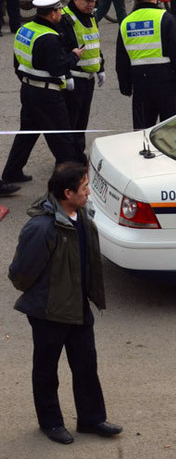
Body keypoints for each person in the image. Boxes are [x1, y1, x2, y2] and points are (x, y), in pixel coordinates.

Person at [8, 162, 123, 445]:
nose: (88, 193)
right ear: (68, 193)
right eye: (84, 188)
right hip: (49, 311)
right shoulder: (40, 228)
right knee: (47, 370)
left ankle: (91, 419)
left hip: (78, 306)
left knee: (86, 365)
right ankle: (51, 423)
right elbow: (20, 273)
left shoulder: (80, 215)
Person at [1, 0, 78, 186]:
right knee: (63, 138)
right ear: (52, 14)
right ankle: (71, 182)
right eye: (59, 10)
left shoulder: (25, 30)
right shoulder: (49, 38)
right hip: (46, 95)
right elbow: (57, 68)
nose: (61, 13)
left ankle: (12, 172)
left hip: (28, 90)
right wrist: (75, 56)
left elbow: (17, 62)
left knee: (27, 134)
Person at [115, 0, 176, 129]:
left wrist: (126, 86)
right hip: (166, 82)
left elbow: (121, 60)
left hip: (140, 84)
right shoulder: (165, 18)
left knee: (142, 131)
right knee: (171, 130)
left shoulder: (126, 22)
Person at [62, 0, 107, 160]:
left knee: (82, 120)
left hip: (88, 79)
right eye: (87, 0)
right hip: (74, 79)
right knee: (71, 121)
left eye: (94, 0)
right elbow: (62, 50)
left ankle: (77, 153)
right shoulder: (66, 19)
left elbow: (95, 45)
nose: (91, 4)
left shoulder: (91, 16)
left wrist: (100, 67)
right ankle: (67, 157)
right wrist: (66, 75)